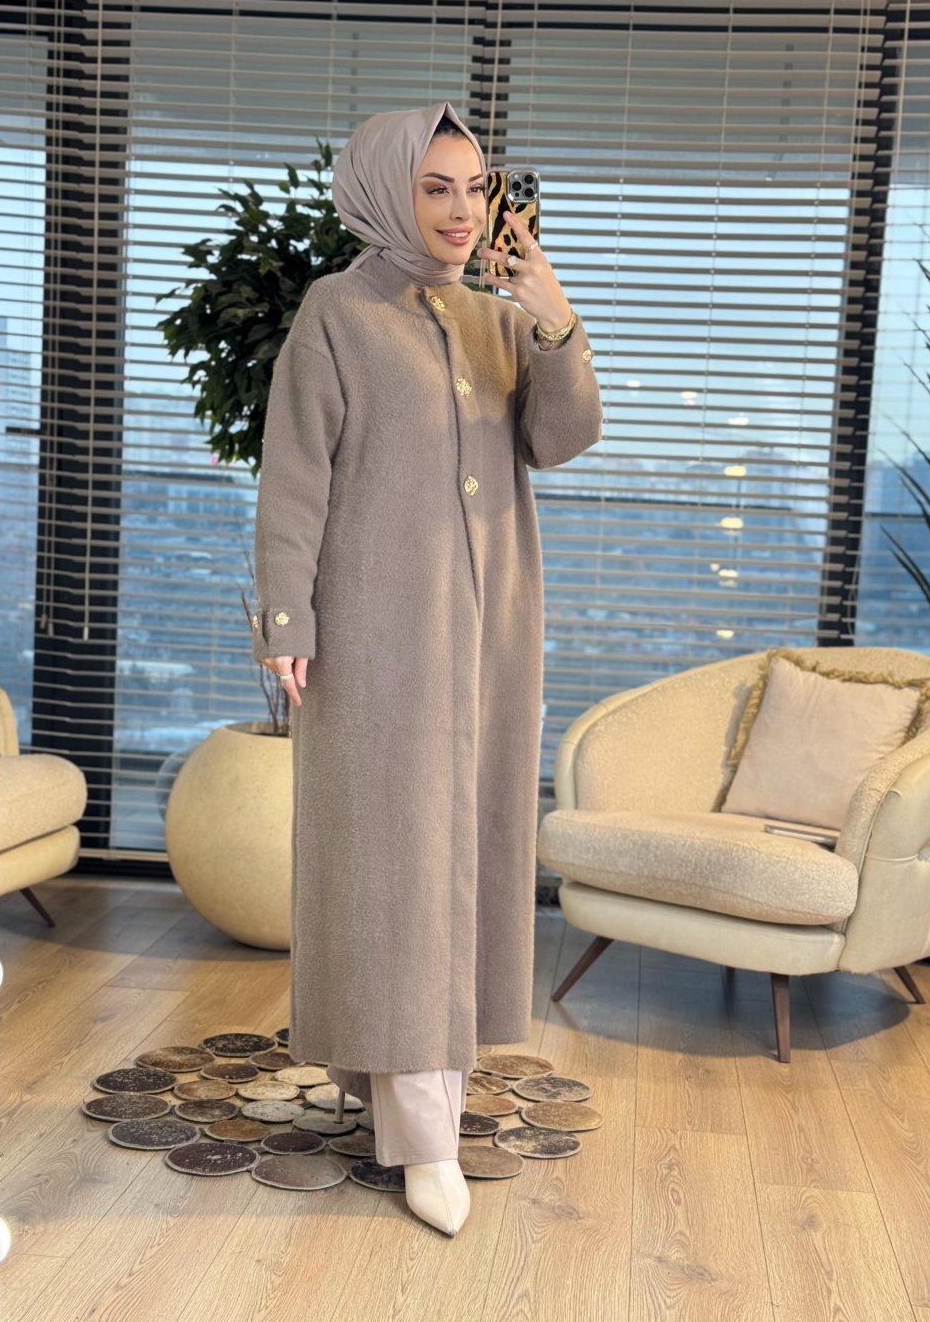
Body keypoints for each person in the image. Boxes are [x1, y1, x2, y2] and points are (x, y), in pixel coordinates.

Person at [250, 100, 603, 1236]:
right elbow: (294, 472)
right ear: (387, 190)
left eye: (474, 187)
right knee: (396, 872)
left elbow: (562, 438)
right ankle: (424, 1138)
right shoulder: (338, 311)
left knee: (462, 862)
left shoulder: (503, 321)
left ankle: (402, 1087)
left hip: (488, 642)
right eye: (434, 186)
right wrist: (288, 616)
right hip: (374, 638)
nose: (461, 210)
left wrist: (552, 314)